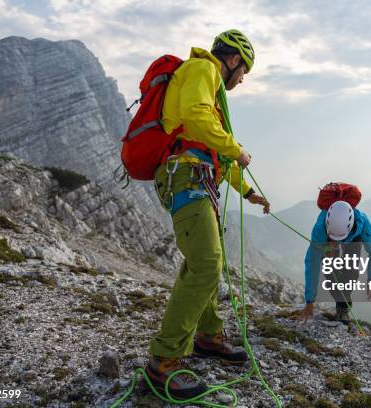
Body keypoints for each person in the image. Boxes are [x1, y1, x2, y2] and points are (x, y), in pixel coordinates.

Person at [146, 29, 269, 400]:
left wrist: (247, 191)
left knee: (203, 262)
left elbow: (208, 147)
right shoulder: (204, 70)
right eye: (244, 70)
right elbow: (199, 122)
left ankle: (207, 336)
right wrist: (238, 149)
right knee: (206, 263)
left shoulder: (208, 83)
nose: (242, 78)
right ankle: (163, 361)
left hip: (198, 177)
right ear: (233, 60)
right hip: (187, 177)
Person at [300, 200, 371, 322]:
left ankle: (342, 308)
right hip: (327, 241)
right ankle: (343, 309)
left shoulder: (362, 223)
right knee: (330, 272)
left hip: (353, 239)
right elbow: (312, 263)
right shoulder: (320, 229)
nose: (337, 242)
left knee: (351, 274)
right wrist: (309, 301)